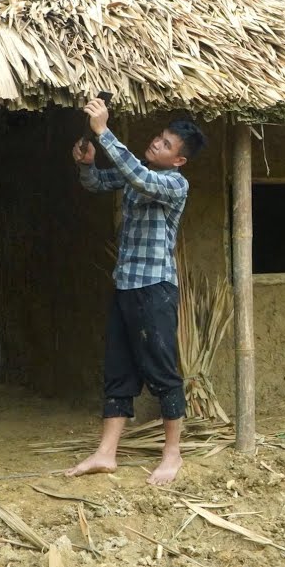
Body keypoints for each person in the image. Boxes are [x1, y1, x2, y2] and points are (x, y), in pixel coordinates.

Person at [65, 96, 206, 486]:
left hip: (155, 290)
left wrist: (104, 131)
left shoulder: (174, 184)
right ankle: (106, 453)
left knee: (162, 371)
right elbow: (99, 182)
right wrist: (88, 162)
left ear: (179, 160)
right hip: (126, 285)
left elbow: (140, 180)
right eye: (159, 138)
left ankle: (172, 454)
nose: (156, 144)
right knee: (118, 369)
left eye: (166, 145)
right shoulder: (138, 170)